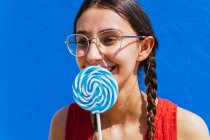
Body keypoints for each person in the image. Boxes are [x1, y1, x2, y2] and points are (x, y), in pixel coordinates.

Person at [49, 0, 209, 140]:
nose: (92, 55)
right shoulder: (64, 123)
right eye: (82, 42)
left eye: (109, 39)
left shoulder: (187, 129)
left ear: (144, 48)